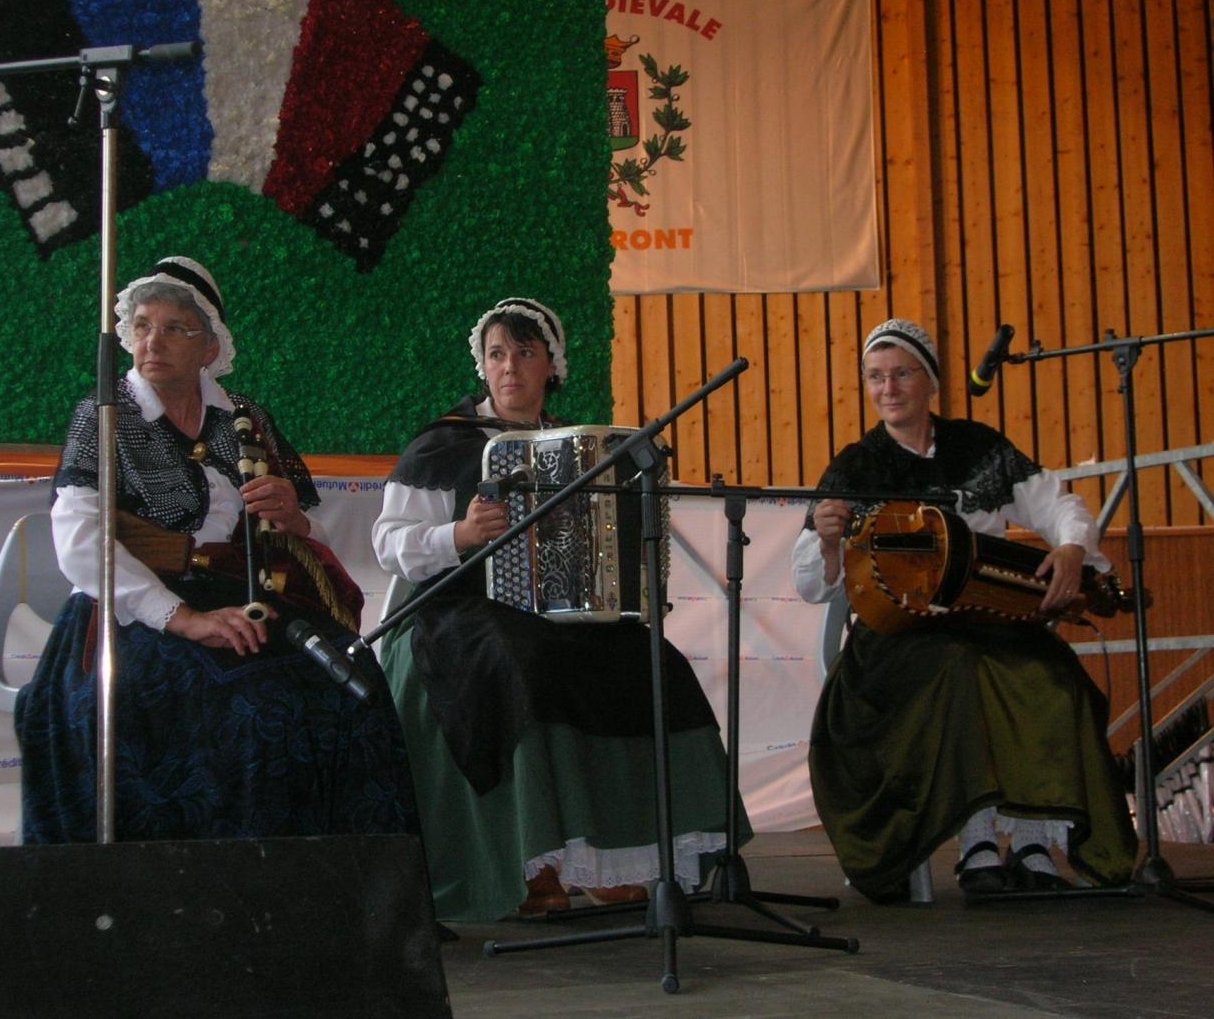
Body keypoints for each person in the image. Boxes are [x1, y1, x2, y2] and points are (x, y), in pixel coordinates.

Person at [15, 256, 416, 844]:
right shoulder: (102, 415)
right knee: (251, 708)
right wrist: (187, 621)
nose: (153, 341)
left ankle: (348, 897)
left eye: (175, 327)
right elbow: (80, 543)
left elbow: (308, 540)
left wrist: (294, 519)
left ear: (209, 347)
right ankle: (220, 897)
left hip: (243, 593)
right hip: (132, 611)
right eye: (143, 325)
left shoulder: (244, 417)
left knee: (353, 682)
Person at [372, 297, 747, 921]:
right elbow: (389, 544)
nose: (509, 367)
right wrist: (458, 536)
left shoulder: (584, 446)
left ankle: (617, 857)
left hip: (560, 613)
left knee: (647, 657)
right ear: (482, 367)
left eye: (525, 353)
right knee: (517, 656)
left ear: (552, 366)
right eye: (497, 355)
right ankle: (536, 863)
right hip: (456, 609)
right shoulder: (444, 445)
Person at [792, 318, 1138, 901]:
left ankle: (1031, 841)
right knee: (960, 669)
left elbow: (1057, 503)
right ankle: (978, 842)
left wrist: (1074, 546)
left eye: (902, 374)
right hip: (899, 637)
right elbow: (811, 586)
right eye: (876, 378)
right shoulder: (856, 467)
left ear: (930, 383)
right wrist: (828, 543)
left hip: (992, 620)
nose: (889, 389)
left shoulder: (980, 449)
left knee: (1055, 678)